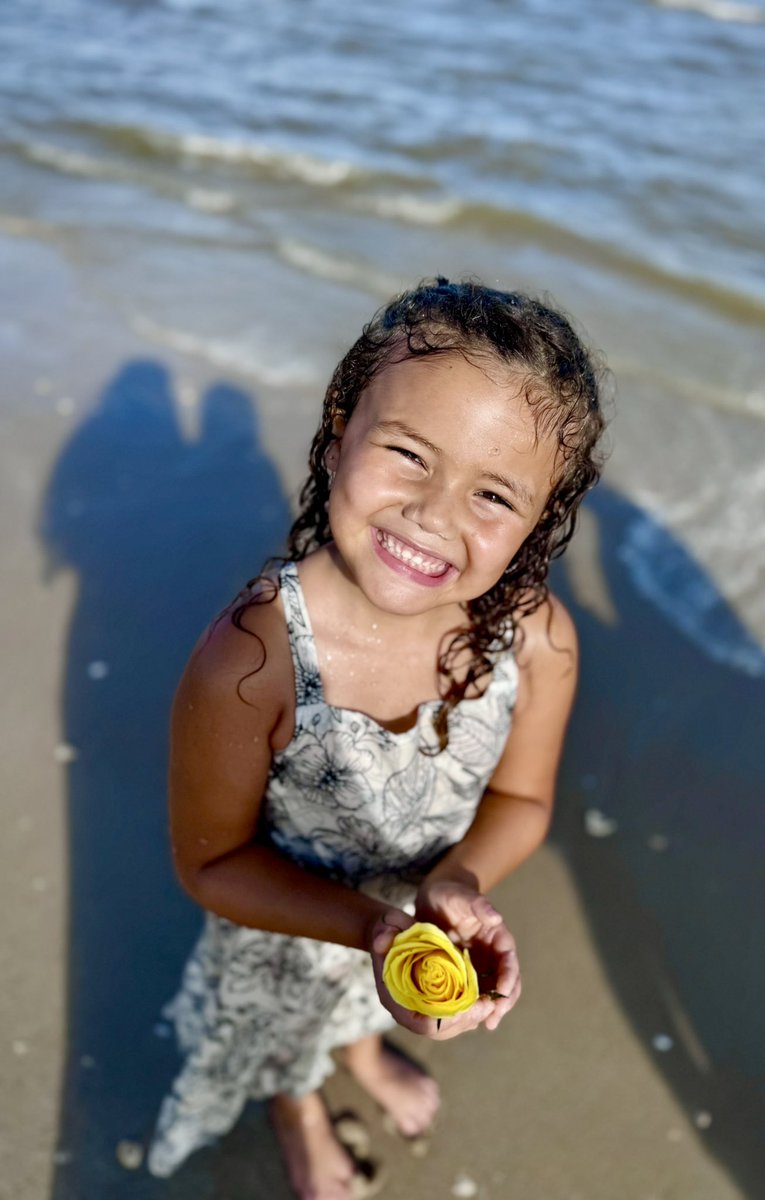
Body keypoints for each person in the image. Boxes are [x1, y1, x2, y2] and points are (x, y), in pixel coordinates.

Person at [147, 277, 608, 1198]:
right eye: (408, 452)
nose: (436, 514)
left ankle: (359, 1047)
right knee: (285, 1029)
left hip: (410, 922)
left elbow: (521, 801)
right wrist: (370, 926)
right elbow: (212, 866)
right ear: (342, 419)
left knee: (363, 1002)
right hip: (286, 921)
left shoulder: (540, 640)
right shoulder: (252, 659)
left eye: (493, 495)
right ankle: (298, 1107)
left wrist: (454, 880)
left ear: (540, 520)